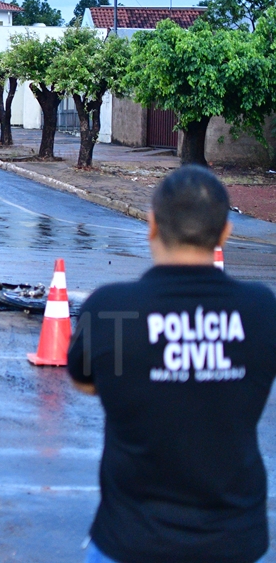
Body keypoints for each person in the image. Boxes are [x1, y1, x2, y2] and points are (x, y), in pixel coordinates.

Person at [68, 165, 276, 563]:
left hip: (129, 541)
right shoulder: (262, 309)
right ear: (225, 234)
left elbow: (84, 381)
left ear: (151, 226)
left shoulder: (110, 308)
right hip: (235, 543)